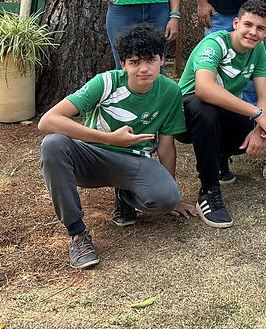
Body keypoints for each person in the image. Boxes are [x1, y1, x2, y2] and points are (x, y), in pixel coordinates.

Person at [38, 23, 197, 269]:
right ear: (122, 64)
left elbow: (166, 146)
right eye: (134, 62)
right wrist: (110, 138)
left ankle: (126, 195)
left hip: (134, 160)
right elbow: (48, 121)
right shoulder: (105, 83)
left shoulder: (171, 91)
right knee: (53, 144)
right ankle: (78, 234)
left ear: (162, 60)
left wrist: (173, 197)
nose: (143, 69)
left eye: (150, 60)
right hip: (91, 157)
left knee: (166, 197)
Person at [177, 0, 266, 228]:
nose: (253, 32)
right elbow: (203, 89)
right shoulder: (214, 43)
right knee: (204, 106)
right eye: (248, 24)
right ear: (236, 23)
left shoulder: (258, 50)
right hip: (185, 118)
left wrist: (258, 129)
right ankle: (209, 191)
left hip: (220, 113)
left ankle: (220, 157)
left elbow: (264, 95)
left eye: (260, 28)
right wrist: (257, 114)